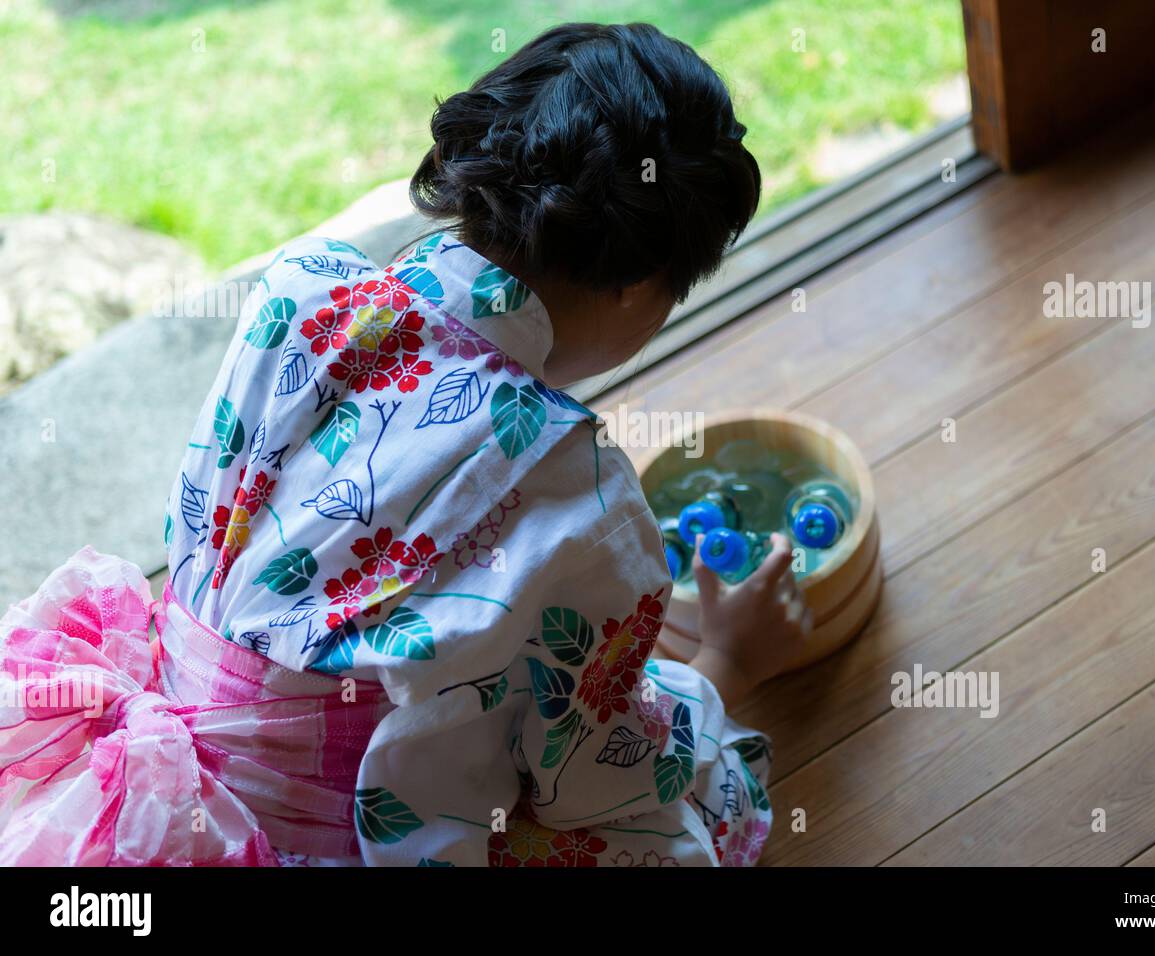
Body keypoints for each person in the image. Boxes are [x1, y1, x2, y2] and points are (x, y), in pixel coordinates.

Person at [0, 21, 811, 867]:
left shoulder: (298, 294)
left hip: (144, 790)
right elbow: (596, 778)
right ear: (644, 287)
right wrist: (727, 660)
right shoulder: (586, 504)